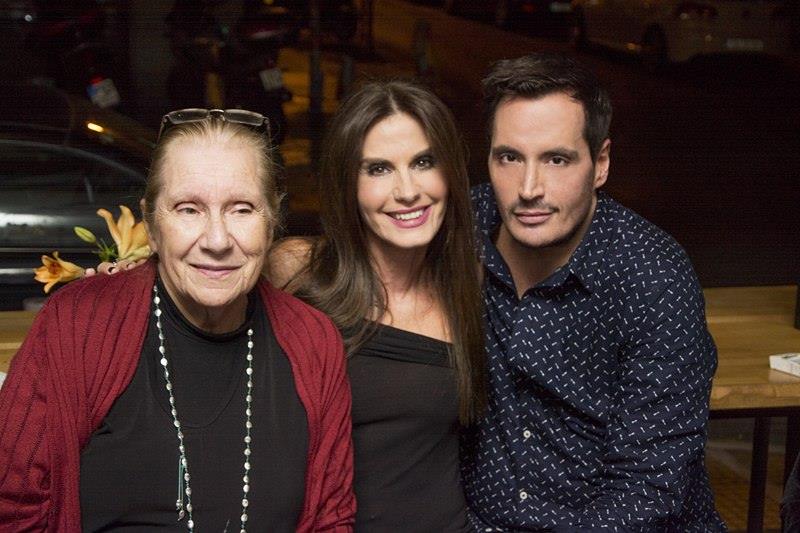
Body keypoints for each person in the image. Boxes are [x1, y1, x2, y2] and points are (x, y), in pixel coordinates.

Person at [0, 109, 355, 532]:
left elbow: (331, 519)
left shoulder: (314, 343)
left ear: (272, 222)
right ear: (152, 226)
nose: (217, 240)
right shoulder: (76, 324)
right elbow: (13, 508)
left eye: (242, 209)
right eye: (189, 210)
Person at [460, 53, 726, 531]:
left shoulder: (653, 276)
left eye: (556, 159)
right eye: (509, 157)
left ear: (600, 163)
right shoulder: (461, 232)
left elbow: (646, 492)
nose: (529, 188)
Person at [268, 80, 487, 531]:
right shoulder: (295, 270)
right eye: (379, 169)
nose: (407, 191)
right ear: (348, 184)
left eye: (424, 162)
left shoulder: (469, 286)